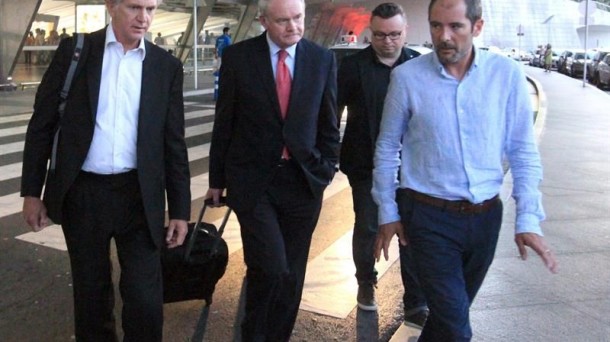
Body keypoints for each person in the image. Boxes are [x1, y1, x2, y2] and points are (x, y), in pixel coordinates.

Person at [372, 0, 558, 340]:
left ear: (477, 27)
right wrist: (387, 211)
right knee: (457, 327)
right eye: (436, 26)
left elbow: (522, 150)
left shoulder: (507, 75)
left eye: (455, 26)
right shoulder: (407, 78)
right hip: (427, 219)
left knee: (446, 323)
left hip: (485, 219)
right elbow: (387, 148)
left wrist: (528, 218)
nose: (444, 36)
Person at [20, 0, 191, 340]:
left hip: (139, 196)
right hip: (84, 194)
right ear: (111, 6)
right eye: (134, 7)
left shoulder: (165, 66)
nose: (144, 18)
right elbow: (42, 124)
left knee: (145, 301)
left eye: (151, 9)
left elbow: (174, 142)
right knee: (91, 297)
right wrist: (31, 192)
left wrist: (181, 210)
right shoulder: (76, 53)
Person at [206, 0, 340, 340]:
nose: (293, 26)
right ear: (264, 20)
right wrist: (216, 180)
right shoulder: (238, 58)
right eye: (283, 21)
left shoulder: (321, 59)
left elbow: (329, 123)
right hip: (254, 183)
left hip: (303, 182)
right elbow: (225, 123)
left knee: (291, 275)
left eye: (298, 18)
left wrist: (325, 170)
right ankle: (253, 333)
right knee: (271, 266)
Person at [337, 2, 428, 328]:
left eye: (394, 35)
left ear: (405, 33)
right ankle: (365, 281)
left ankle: (416, 300)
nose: (387, 41)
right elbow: (332, 114)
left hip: (412, 167)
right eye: (380, 35)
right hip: (365, 166)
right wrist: (327, 157)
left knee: (413, 233)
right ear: (369, 33)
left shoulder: (420, 66)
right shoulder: (352, 67)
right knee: (368, 227)